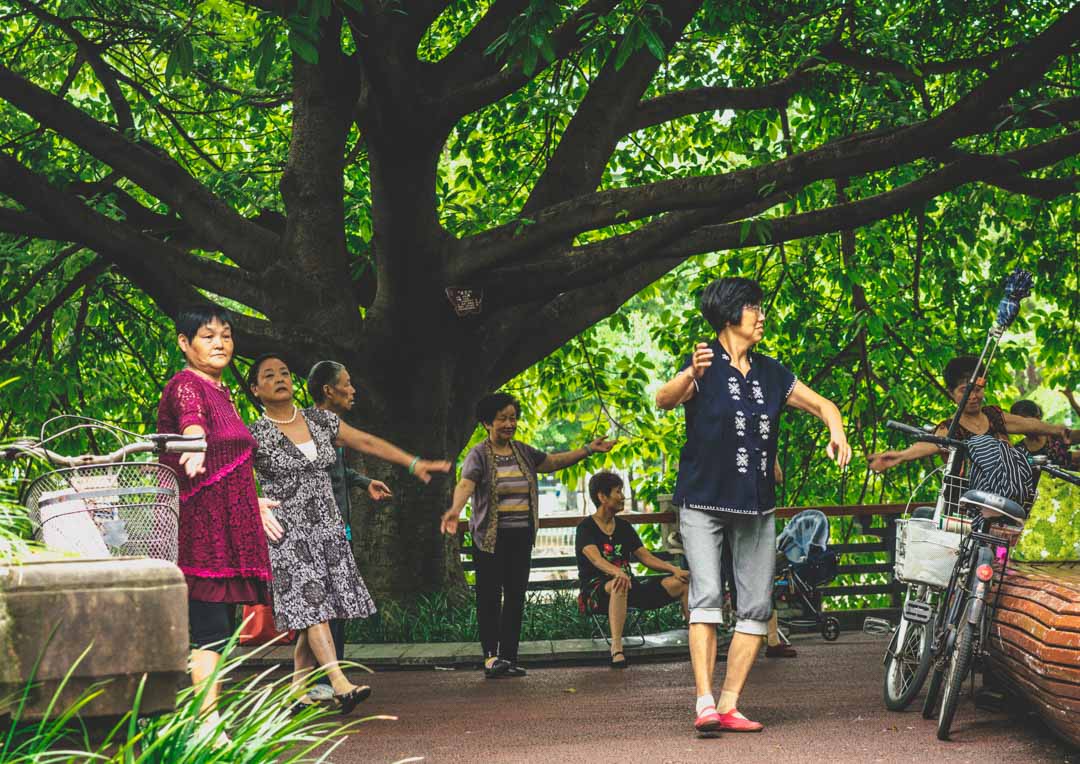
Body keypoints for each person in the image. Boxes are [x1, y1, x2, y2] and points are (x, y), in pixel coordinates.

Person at [655, 277, 852, 734]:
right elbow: (664, 400)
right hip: (702, 502)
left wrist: (835, 430)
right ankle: (703, 701)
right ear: (729, 316)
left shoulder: (771, 372)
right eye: (753, 308)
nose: (761, 316)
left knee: (758, 607)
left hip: (756, 505)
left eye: (761, 308)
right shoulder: (701, 364)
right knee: (705, 597)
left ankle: (728, 703)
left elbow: (824, 404)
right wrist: (690, 374)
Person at [248, 354, 450, 713]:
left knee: (319, 609)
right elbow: (228, 476)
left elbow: (367, 443)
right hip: (287, 532)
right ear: (255, 389)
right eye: (268, 375)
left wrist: (413, 463)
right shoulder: (252, 433)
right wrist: (253, 504)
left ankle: (297, 687)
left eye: (283, 372)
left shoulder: (320, 421)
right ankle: (339, 682)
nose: (279, 378)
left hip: (327, 527)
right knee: (314, 608)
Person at [156, 305, 277, 741]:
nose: (220, 343)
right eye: (207, 336)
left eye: (225, 335)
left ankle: (201, 718)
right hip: (199, 527)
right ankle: (205, 724)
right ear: (185, 344)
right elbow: (193, 424)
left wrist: (253, 502)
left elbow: (231, 459)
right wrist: (194, 443)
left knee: (217, 627)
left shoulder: (222, 391)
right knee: (209, 626)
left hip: (228, 524)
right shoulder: (188, 385)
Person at [440, 392, 615, 678]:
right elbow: (466, 484)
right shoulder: (479, 454)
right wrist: (455, 510)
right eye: (502, 419)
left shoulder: (522, 451)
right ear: (487, 423)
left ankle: (508, 657)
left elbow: (554, 461)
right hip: (490, 540)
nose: (509, 424)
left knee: (515, 597)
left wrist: (588, 449)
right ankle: (490, 657)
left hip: (521, 538)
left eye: (513, 418)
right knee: (489, 598)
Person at [306, 360, 393, 700]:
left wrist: (364, 481)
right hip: (317, 530)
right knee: (322, 605)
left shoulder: (332, 426)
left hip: (340, 526)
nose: (354, 389)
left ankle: (328, 678)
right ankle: (322, 681)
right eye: (348, 382)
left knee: (336, 604)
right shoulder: (307, 426)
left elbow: (337, 472)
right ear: (329, 390)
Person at [868, 356, 1077, 472]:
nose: (973, 397)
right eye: (965, 392)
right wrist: (900, 456)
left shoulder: (994, 416)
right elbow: (931, 444)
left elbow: (1029, 425)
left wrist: (1059, 430)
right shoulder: (951, 428)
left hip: (1010, 495)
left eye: (978, 390)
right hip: (973, 503)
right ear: (952, 394)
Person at [575, 470, 689, 668]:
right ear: (602, 497)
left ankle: (696, 639)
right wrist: (617, 572)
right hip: (596, 593)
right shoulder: (585, 528)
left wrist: (674, 570)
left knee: (681, 583)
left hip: (629, 586)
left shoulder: (625, 527)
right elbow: (595, 559)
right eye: (618, 492)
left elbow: (645, 557)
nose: (623, 497)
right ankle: (617, 649)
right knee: (620, 583)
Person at [1010, 400, 1080, 468]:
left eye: (1025, 421)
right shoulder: (1019, 450)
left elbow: (1074, 437)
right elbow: (1030, 463)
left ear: (1037, 417)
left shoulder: (1055, 434)